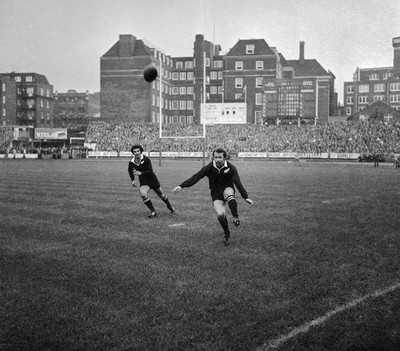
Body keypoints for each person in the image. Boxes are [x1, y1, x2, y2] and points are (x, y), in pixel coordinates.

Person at [173, 147, 253, 246]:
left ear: (225, 157)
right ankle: (227, 233)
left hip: (228, 188)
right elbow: (196, 177)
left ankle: (235, 217)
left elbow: (237, 183)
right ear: (213, 158)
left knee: (229, 194)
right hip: (215, 193)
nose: (218, 159)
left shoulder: (231, 167)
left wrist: (245, 197)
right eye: (216, 157)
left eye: (220, 157)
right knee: (221, 215)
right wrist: (182, 185)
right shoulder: (209, 167)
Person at [128, 144, 175, 218]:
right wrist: (133, 180)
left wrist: (141, 173)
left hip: (152, 179)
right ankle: (153, 211)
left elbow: (150, 170)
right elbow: (130, 171)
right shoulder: (131, 162)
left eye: (138, 151)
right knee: (143, 194)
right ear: (132, 153)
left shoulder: (146, 159)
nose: (136, 153)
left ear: (141, 151)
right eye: (135, 151)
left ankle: (170, 207)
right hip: (144, 181)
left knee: (161, 195)